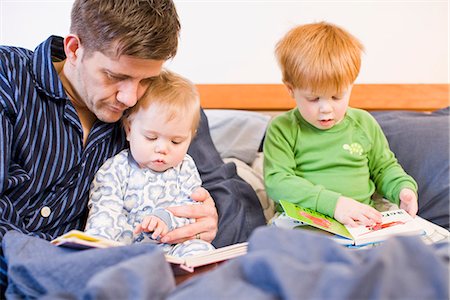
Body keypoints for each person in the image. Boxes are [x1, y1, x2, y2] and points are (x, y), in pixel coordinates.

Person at [0, 0, 266, 293]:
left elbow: (225, 191)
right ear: (74, 49)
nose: (129, 98)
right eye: (116, 77)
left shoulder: (158, 108)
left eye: (146, 79)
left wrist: (208, 222)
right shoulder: (8, 79)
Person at [264, 22, 418, 227]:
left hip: (362, 222)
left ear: (351, 86)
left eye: (337, 96)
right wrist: (334, 204)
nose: (326, 108)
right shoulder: (283, 128)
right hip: (303, 221)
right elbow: (278, 181)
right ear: (291, 89)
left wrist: (402, 188)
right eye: (313, 99)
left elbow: (384, 168)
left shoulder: (363, 123)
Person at [84, 70, 215, 256]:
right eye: (151, 137)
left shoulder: (185, 168)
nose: (162, 148)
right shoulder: (115, 169)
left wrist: (166, 219)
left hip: (173, 247)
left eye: (176, 141)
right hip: (126, 249)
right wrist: (100, 245)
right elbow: (104, 212)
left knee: (203, 251)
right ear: (129, 130)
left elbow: (193, 213)